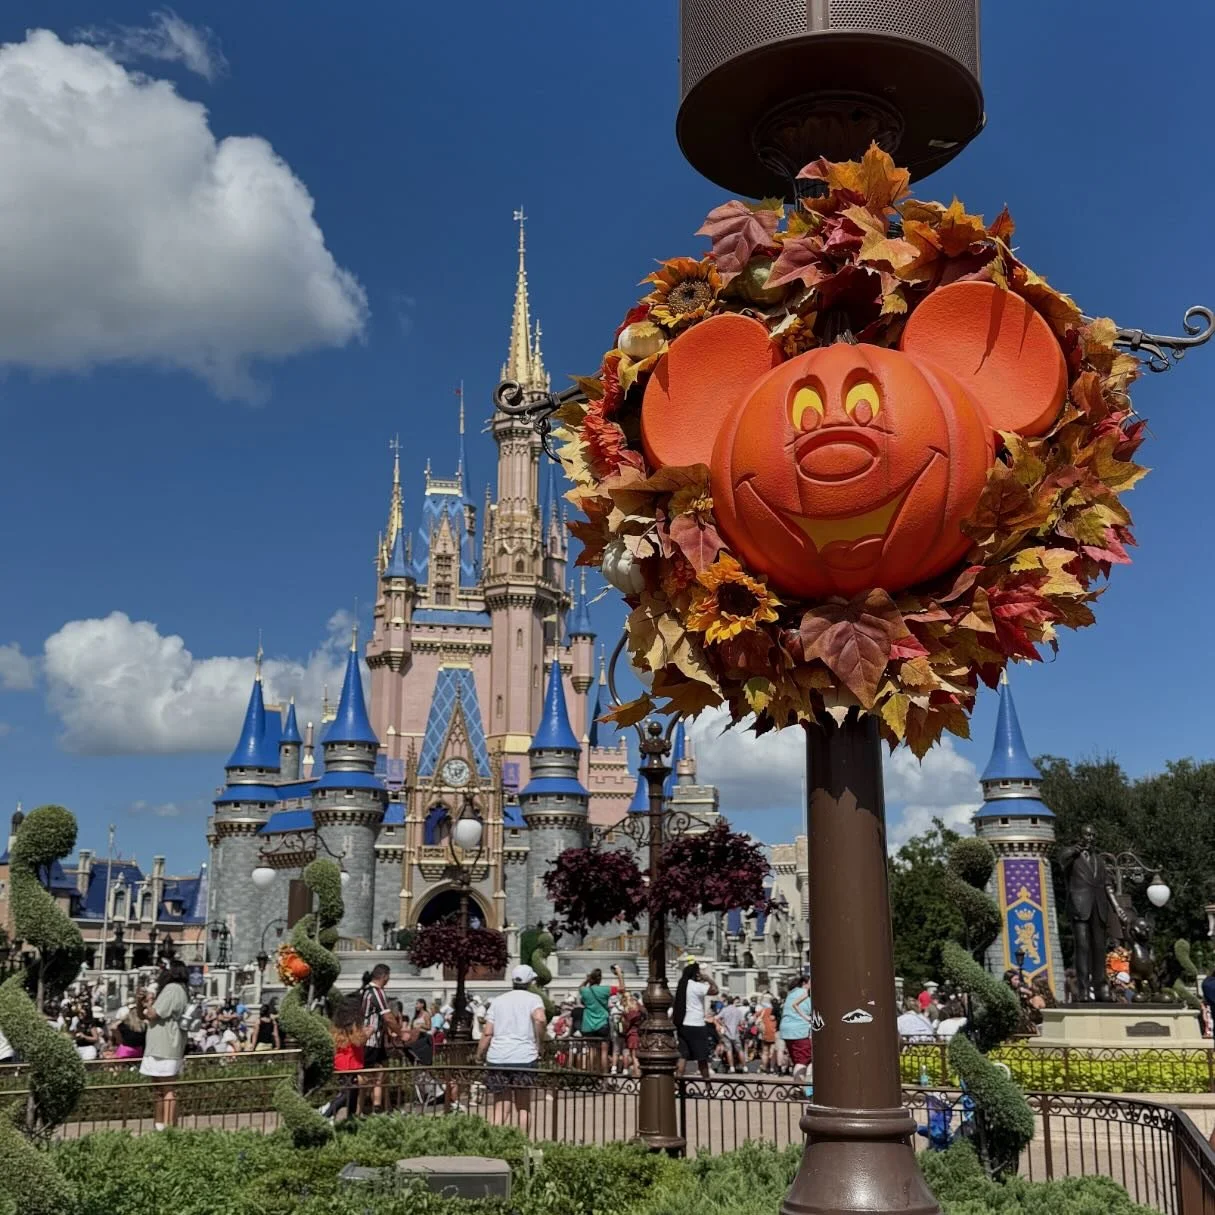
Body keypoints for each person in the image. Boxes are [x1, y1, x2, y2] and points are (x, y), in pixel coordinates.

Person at [476, 963, 546, 1133]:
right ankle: (521, 1144)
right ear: (530, 982)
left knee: (500, 1106)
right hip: (523, 1057)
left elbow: (487, 1033)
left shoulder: (498, 1001)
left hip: (498, 1057)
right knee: (523, 1106)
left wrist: (479, 1054)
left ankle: (494, 1143)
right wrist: (540, 1044)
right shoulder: (534, 999)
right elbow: (540, 1019)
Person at [142, 960, 190, 1130]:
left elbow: (155, 1013)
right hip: (161, 1045)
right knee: (158, 1088)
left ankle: (169, 1128)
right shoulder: (181, 989)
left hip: (165, 1045)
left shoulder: (172, 989)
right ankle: (159, 1124)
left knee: (167, 1088)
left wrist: (148, 1003)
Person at [319, 994, 367, 1123]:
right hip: (349, 1063)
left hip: (342, 1062)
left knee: (352, 1093)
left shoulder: (339, 1023)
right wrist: (368, 1033)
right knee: (348, 1093)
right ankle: (327, 1112)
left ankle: (350, 1121)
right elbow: (357, 1042)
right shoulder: (354, 1024)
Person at [673, 960, 718, 1080]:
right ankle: (707, 1086)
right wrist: (708, 978)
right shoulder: (696, 986)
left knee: (683, 1056)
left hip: (683, 1024)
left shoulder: (682, 984)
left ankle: (678, 1083)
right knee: (702, 1057)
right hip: (697, 1024)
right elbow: (715, 990)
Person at [359, 964, 391, 1115]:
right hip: (370, 1040)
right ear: (384, 976)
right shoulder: (376, 992)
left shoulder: (364, 991)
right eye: (387, 977)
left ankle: (378, 1106)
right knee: (365, 1077)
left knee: (381, 1072)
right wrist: (401, 1033)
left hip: (375, 1040)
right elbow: (387, 1016)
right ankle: (360, 1110)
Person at [578, 966, 619, 1074]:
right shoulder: (605, 989)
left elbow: (580, 987)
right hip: (602, 1024)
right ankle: (604, 1077)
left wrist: (587, 979)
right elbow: (622, 988)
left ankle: (592, 1075)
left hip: (588, 1024)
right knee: (604, 1052)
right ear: (600, 979)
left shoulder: (585, 991)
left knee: (591, 1051)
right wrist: (619, 974)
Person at [779, 974, 815, 1082]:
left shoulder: (791, 993)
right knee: (803, 1061)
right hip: (800, 1030)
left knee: (798, 1060)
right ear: (805, 983)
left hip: (786, 1030)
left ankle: (800, 1087)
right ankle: (799, 1088)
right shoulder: (805, 993)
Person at [112, 995, 148, 1061]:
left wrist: (119, 1039)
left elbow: (113, 1027)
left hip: (125, 1050)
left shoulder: (124, 1024)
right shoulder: (144, 1025)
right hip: (138, 1050)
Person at [718, 996, 747, 1074]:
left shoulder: (724, 1010)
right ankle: (744, 1067)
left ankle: (732, 1067)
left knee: (729, 1050)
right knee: (740, 1050)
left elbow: (717, 1018)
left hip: (727, 1032)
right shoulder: (738, 1011)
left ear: (727, 1002)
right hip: (736, 1032)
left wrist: (722, 1024)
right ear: (734, 1002)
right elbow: (742, 1022)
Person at [758, 995, 778, 1073]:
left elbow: (754, 1018)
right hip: (774, 1032)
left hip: (765, 1033)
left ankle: (764, 1067)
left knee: (765, 1052)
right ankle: (772, 1068)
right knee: (773, 1052)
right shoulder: (776, 1010)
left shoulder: (764, 1010)